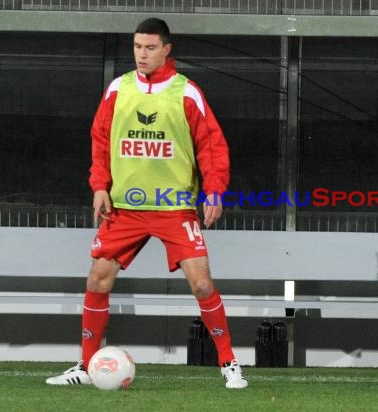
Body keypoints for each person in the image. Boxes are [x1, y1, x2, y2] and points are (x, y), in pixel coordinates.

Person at [46, 18, 247, 389]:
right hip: (124, 208)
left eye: (150, 47)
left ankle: (229, 363)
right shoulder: (118, 88)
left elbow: (211, 145)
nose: (142, 54)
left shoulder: (186, 92)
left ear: (167, 49)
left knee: (202, 284)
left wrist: (214, 190)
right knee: (98, 280)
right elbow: (101, 139)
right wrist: (99, 185)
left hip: (174, 207)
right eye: (137, 46)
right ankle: (86, 365)